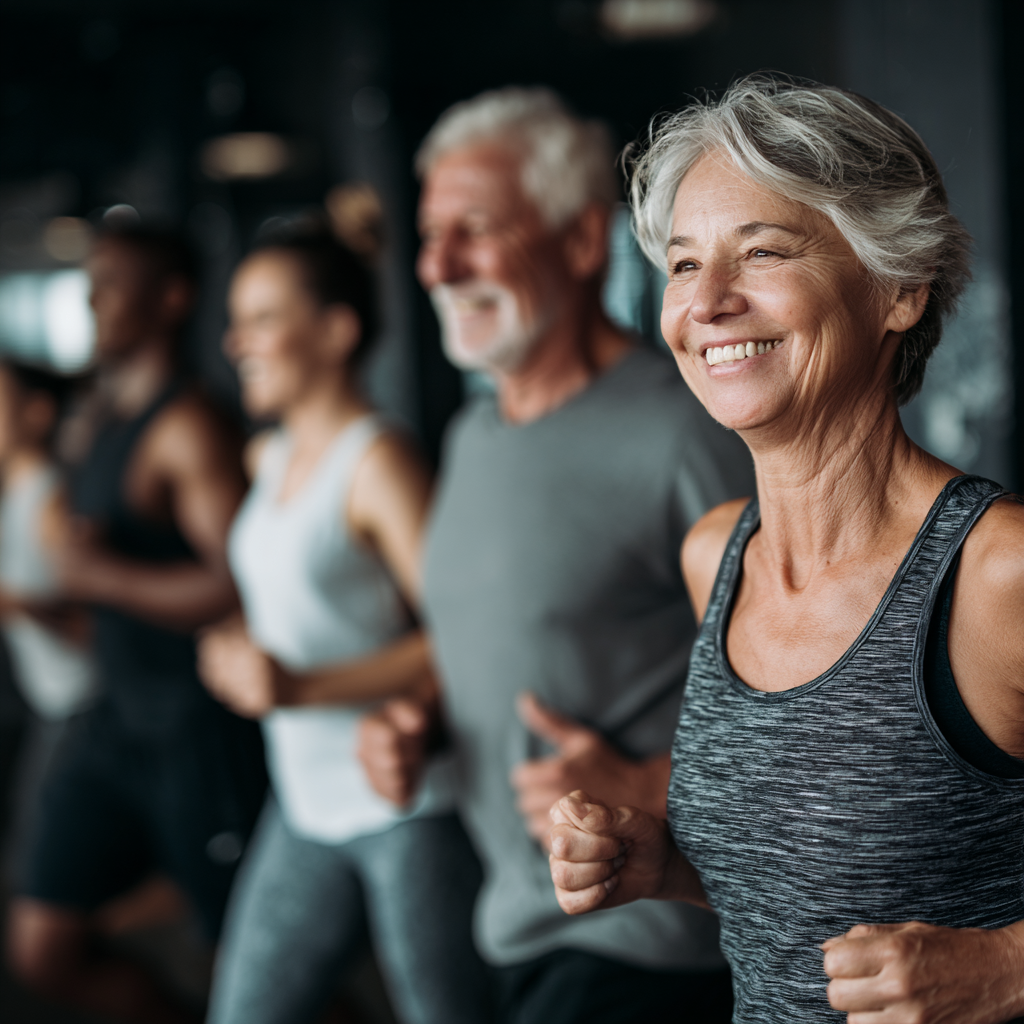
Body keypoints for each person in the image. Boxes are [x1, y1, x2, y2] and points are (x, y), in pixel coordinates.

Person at [548, 73, 1024, 1023]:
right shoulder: (716, 558)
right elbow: (820, 893)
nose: (707, 302)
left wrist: (1006, 968)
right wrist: (666, 864)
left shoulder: (995, 572)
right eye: (684, 265)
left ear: (898, 288)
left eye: (762, 251)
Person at [358, 87, 754, 1024]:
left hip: (647, 944)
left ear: (580, 243)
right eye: (431, 235)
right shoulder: (471, 437)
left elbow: (823, 696)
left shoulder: (683, 430)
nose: (438, 266)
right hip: (513, 922)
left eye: (475, 229)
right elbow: (510, 635)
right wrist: (420, 718)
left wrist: (654, 784)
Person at [197, 230, 491, 1024]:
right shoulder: (267, 458)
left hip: (403, 807)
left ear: (335, 331)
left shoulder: (378, 462)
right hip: (301, 801)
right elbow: (298, 601)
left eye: (262, 318)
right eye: (236, 321)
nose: (235, 342)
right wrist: (235, 645)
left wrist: (301, 686)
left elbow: (465, 637)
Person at [5, 225, 266, 1024]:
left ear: (172, 298)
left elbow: (238, 583)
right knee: (43, 946)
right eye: (91, 287)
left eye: (111, 285)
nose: (93, 302)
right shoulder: (101, 417)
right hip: (115, 720)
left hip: (195, 732)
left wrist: (100, 576)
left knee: (261, 974)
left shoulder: (188, 426)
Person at [0, 362, 96, 884]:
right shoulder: (13, 495)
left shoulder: (52, 500)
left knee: (32, 857)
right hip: (44, 700)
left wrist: (21, 606)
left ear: (37, 413)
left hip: (79, 704)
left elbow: (93, 625)